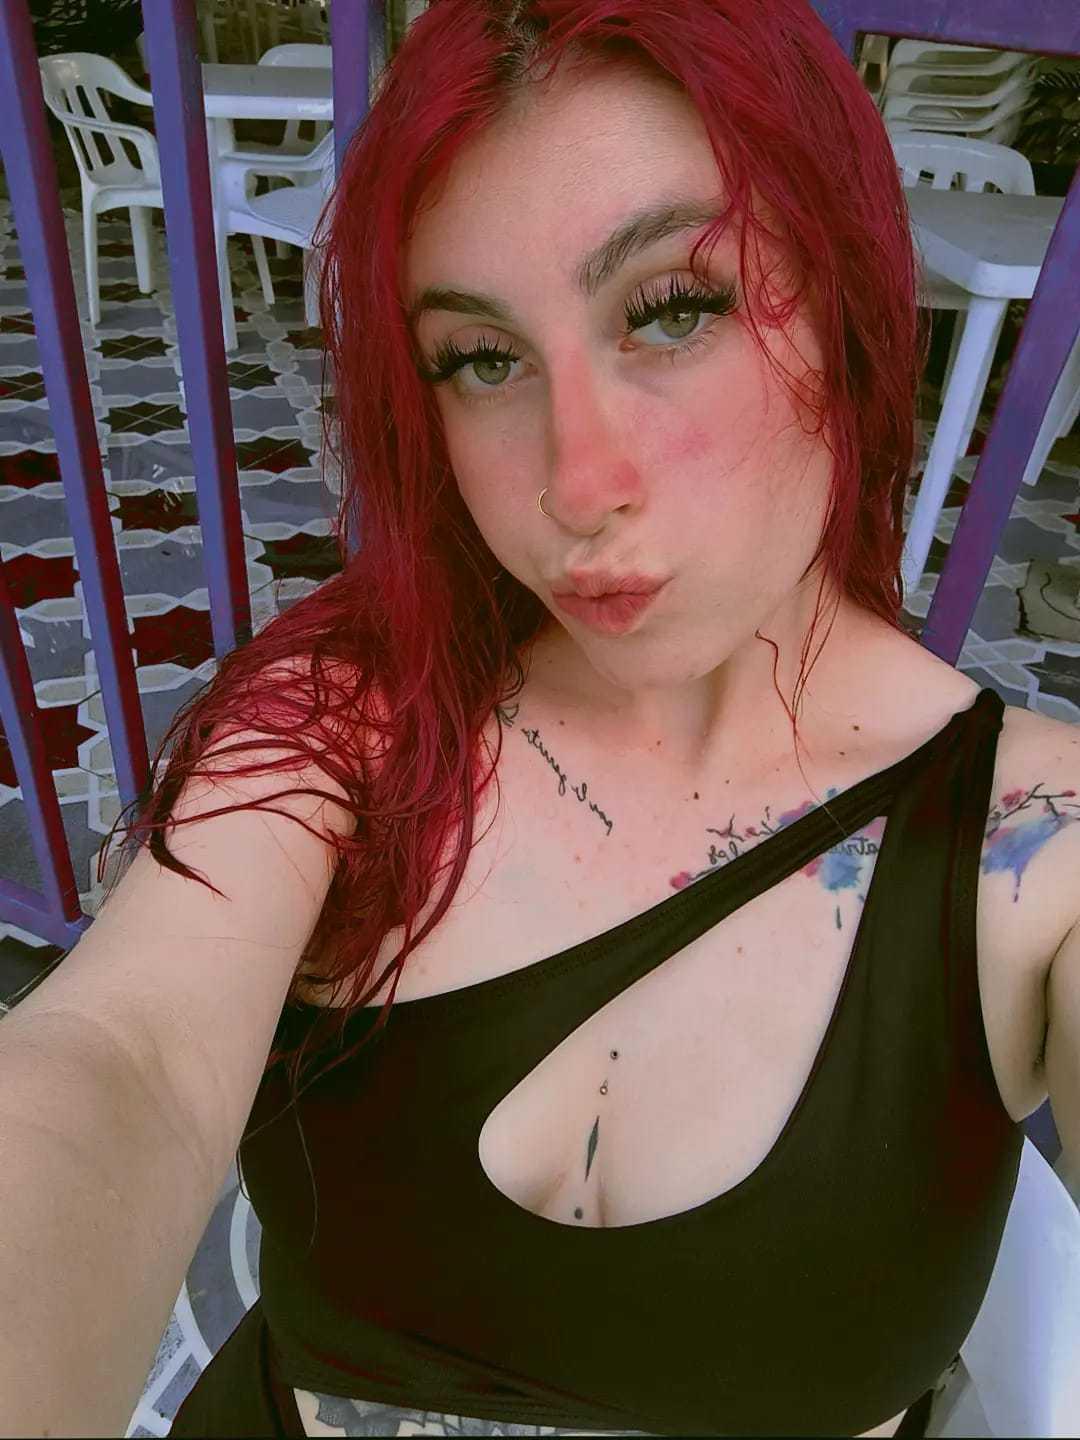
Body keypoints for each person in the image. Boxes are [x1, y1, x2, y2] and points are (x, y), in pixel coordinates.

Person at [3, 1, 1075, 1437]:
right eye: (482, 359)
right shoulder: (346, 723)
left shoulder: (1034, 849)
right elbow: (122, 1062)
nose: (576, 480)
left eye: (672, 308)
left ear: (846, 305)